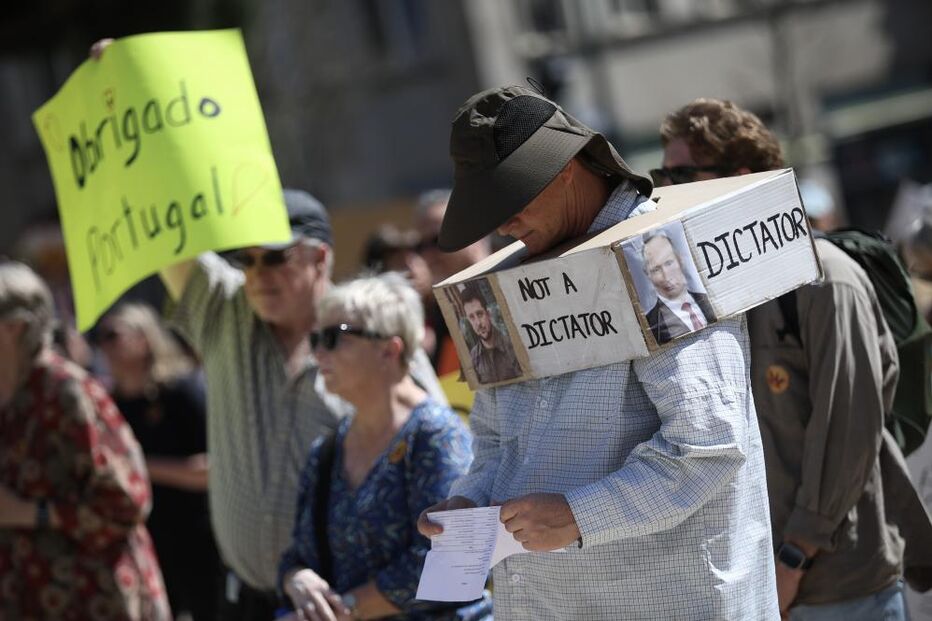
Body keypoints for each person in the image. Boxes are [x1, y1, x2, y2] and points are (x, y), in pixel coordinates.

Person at [417, 85, 779, 619]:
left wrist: (578, 516)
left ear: (564, 168)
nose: (502, 225)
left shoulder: (655, 257)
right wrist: (470, 502)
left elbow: (707, 447)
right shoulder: (504, 283)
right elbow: (496, 440)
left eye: (510, 200)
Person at [657, 97, 912, 620]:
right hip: (753, 590)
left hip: (840, 589)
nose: (665, 189)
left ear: (741, 177)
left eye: (681, 173)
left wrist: (792, 559)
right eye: (662, 173)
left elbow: (849, 430)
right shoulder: (699, 294)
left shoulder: (825, 279)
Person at [158, 188, 446, 620]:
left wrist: (360, 602)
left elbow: (438, 456)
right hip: (249, 597)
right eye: (246, 260)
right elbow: (160, 235)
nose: (257, 274)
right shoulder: (225, 310)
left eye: (276, 258)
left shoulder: (372, 338)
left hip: (350, 606)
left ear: (320, 259)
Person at [278, 273, 491, 620]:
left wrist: (344, 609)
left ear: (389, 350)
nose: (316, 352)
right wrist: (296, 578)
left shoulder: (435, 435)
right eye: (316, 338)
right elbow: (298, 554)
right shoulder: (327, 450)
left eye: (334, 337)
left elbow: (455, 560)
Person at [0, 261, 170, 620]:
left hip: (95, 598)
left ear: (13, 328)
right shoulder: (8, 395)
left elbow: (127, 502)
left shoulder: (65, 392)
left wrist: (31, 513)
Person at [97, 302, 220, 621]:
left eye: (114, 335)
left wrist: (137, 467)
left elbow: (210, 469)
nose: (104, 346)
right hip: (141, 542)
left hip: (195, 540)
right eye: (101, 337)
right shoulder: (109, 403)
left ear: (144, 338)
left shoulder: (183, 392)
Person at [415, 190, 493, 375]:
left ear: (474, 232)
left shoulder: (517, 285)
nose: (428, 255)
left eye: (437, 239)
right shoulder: (438, 316)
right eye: (421, 246)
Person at [641, 230, 716, 343]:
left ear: (680, 260)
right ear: (648, 274)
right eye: (656, 269)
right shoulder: (649, 326)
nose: (666, 276)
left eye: (669, 263)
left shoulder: (711, 298)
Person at [459, 283, 521, 383]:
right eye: (472, 317)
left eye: (480, 314)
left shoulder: (512, 345)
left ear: (488, 314)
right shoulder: (472, 358)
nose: (478, 323)